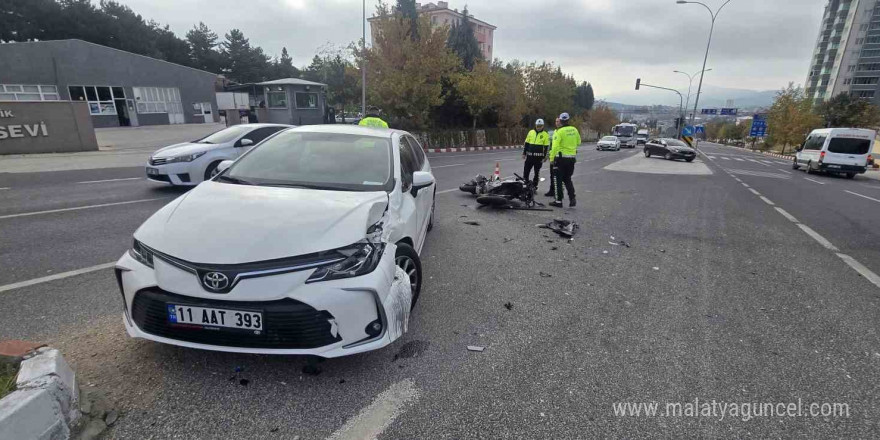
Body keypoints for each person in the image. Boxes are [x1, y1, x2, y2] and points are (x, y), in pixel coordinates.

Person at [548, 112, 581, 208]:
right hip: (571, 159)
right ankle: (572, 198)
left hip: (560, 159)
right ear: (568, 120)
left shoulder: (559, 132)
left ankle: (558, 201)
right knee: (567, 179)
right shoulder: (574, 130)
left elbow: (554, 147)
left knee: (557, 180)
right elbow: (579, 142)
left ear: (561, 121)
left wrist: (551, 159)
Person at [522, 119, 550, 188]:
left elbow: (546, 147)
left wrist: (545, 157)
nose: (539, 127)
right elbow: (527, 143)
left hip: (538, 158)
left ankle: (534, 186)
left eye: (540, 126)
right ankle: (526, 184)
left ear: (543, 126)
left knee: (536, 173)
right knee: (526, 171)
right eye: (537, 126)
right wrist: (524, 153)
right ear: (535, 125)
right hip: (529, 156)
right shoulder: (531, 132)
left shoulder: (545, 134)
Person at [544, 117, 562, 197]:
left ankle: (558, 193)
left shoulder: (562, 131)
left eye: (558, 121)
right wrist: (548, 156)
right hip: (553, 157)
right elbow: (550, 145)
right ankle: (552, 190)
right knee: (552, 175)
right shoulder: (554, 132)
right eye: (556, 121)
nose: (557, 123)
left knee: (559, 176)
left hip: (560, 157)